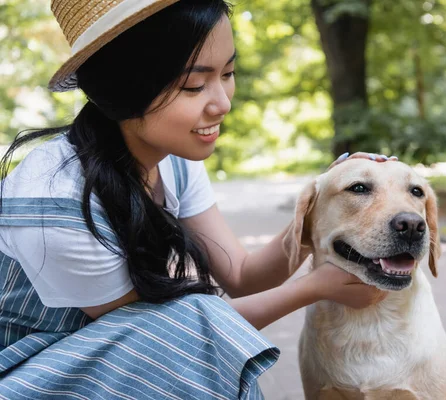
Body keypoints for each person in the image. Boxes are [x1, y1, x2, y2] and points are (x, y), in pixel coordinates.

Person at [0, 0, 391, 398]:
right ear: (123, 89)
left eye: (229, 73)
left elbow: (241, 276)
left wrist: (321, 205)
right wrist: (314, 287)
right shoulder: (56, 202)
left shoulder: (171, 161)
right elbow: (168, 340)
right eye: (193, 85)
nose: (223, 103)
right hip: (30, 374)